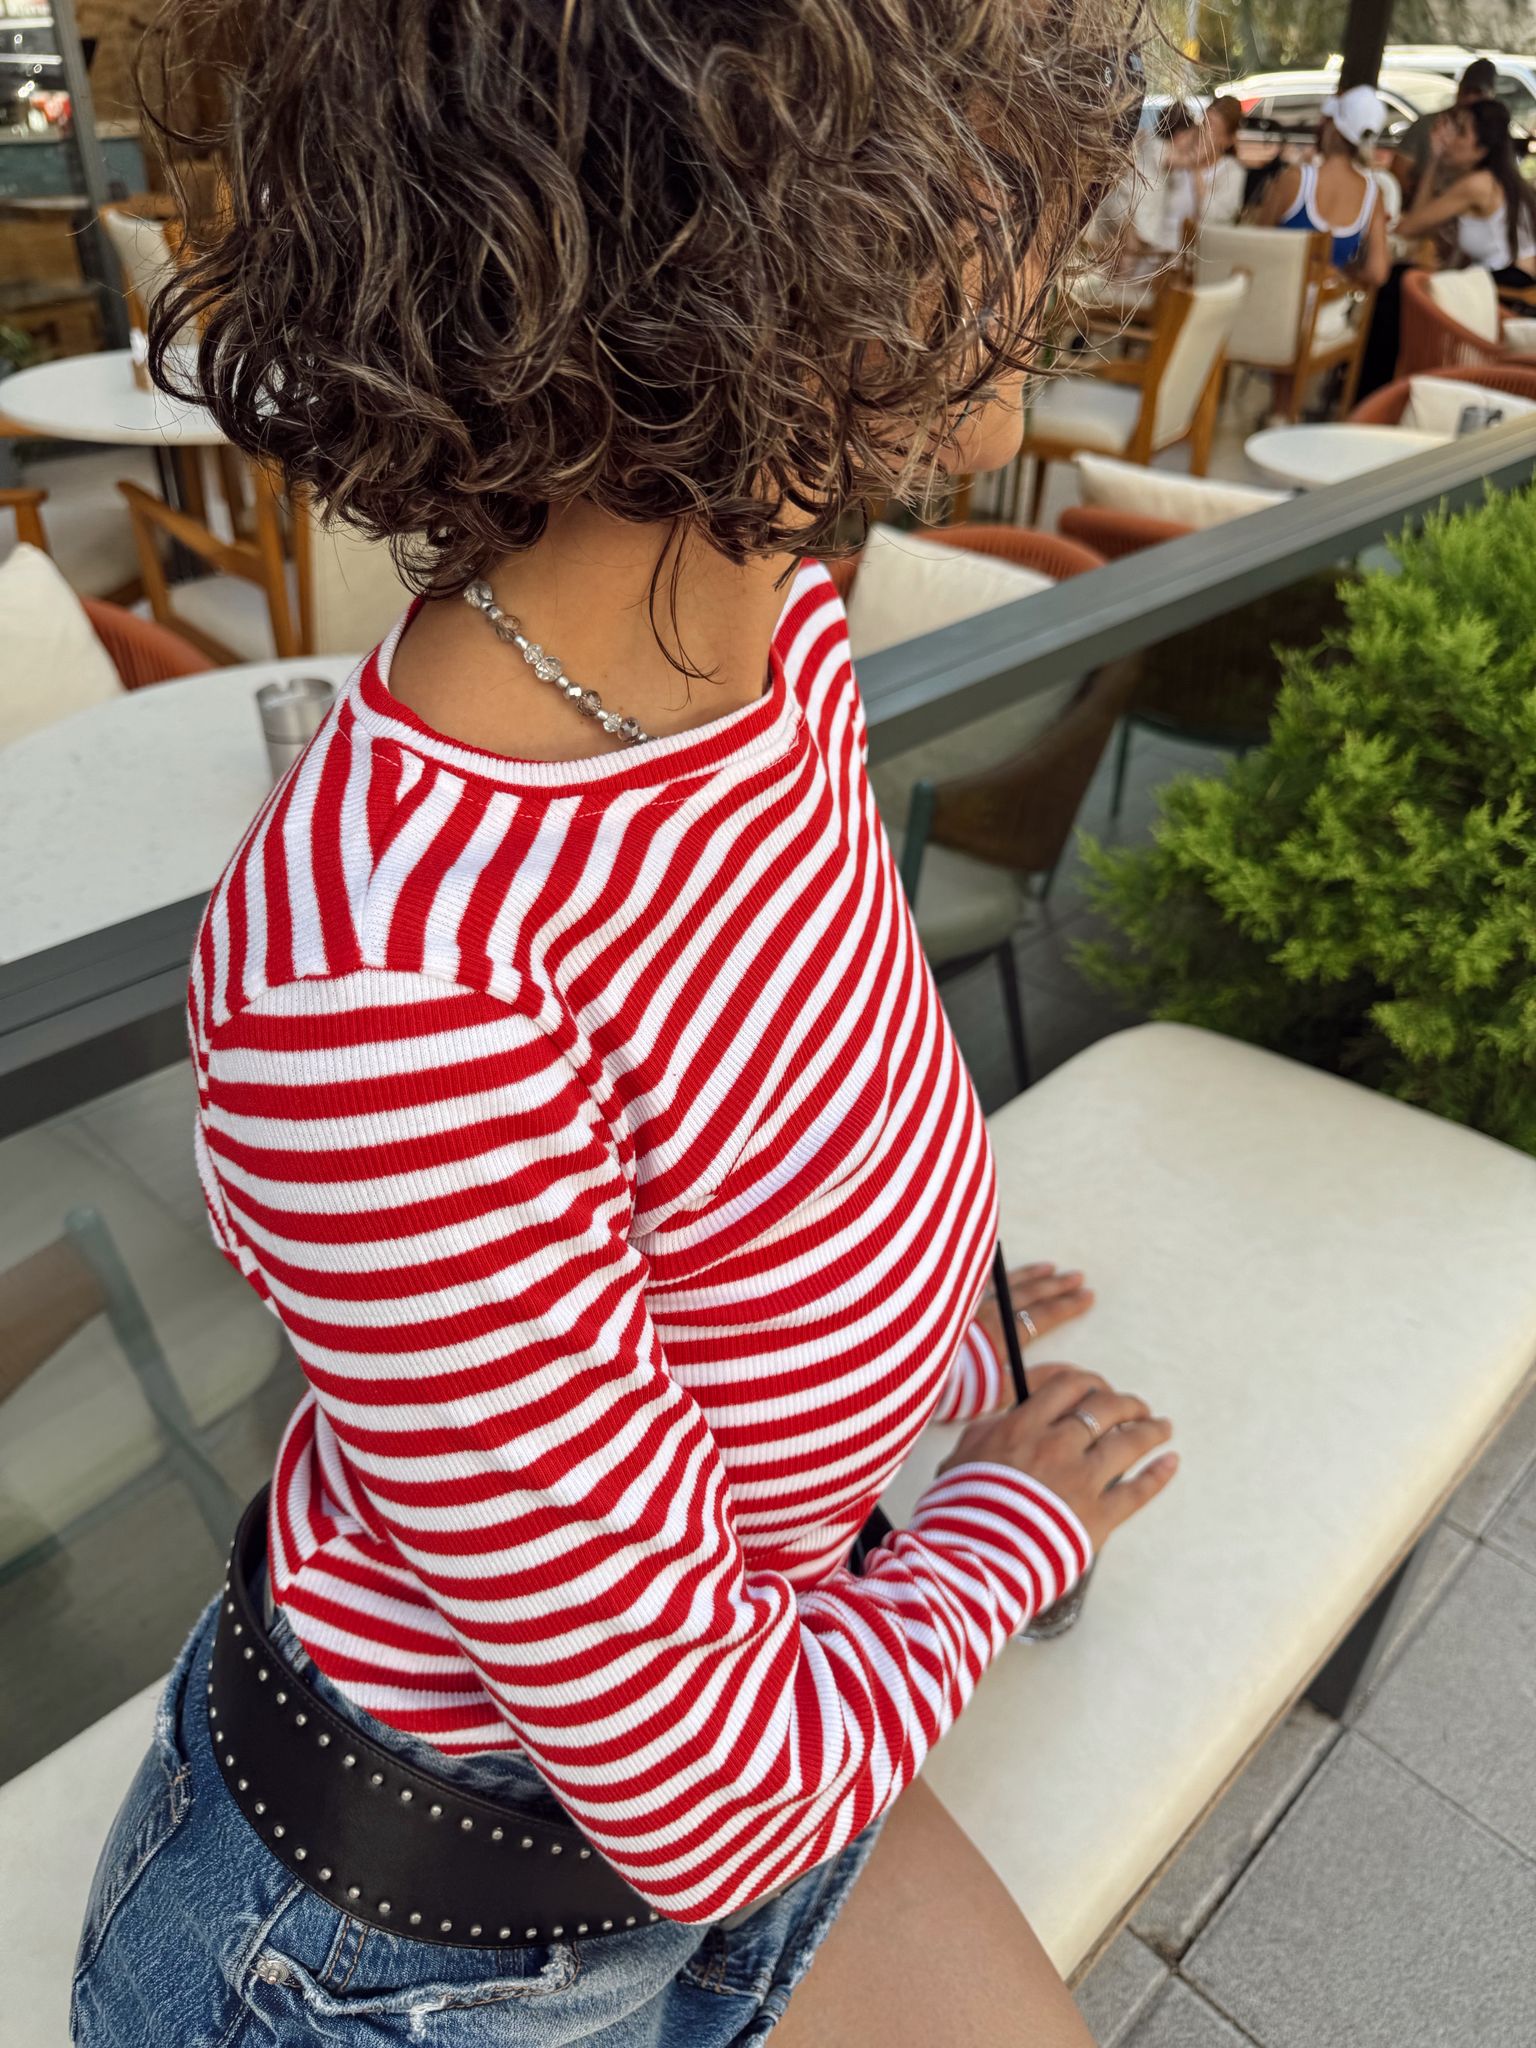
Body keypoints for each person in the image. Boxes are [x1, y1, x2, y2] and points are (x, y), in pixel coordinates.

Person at [71, 7, 1175, 2048]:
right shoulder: (389, 975)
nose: (1065, 235)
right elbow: (711, 1794)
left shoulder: (776, 646)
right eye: (1005, 157)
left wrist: (905, 1307)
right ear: (783, 225)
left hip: (765, 1682)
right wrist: (1010, 1521)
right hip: (407, 1960)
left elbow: (783, 1091)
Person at [1257, 84, 1392, 289]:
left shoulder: (1295, 179)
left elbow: (1254, 243)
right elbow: (1377, 272)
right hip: (1326, 314)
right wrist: (1343, 271)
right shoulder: (1373, 195)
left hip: (1277, 306)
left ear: (1332, 128)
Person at [1397, 97, 1536, 287]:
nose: (1450, 139)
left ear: (1481, 149)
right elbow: (1420, 226)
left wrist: (1434, 159)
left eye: (1460, 132)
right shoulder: (1497, 180)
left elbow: (1410, 227)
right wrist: (1435, 160)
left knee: (1400, 280)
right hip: (1500, 283)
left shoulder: (1477, 185)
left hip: (1506, 288)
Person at [1390, 56, 1498, 210]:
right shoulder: (1427, 125)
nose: (1470, 98)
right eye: (1466, 91)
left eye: (1477, 93)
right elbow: (1398, 171)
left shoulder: (1480, 181)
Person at [1195, 95, 1248, 229]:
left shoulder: (1233, 172)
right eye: (1203, 124)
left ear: (1227, 140)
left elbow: (1215, 216)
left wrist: (1194, 170)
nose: (1203, 133)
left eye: (1212, 129)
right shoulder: (1179, 159)